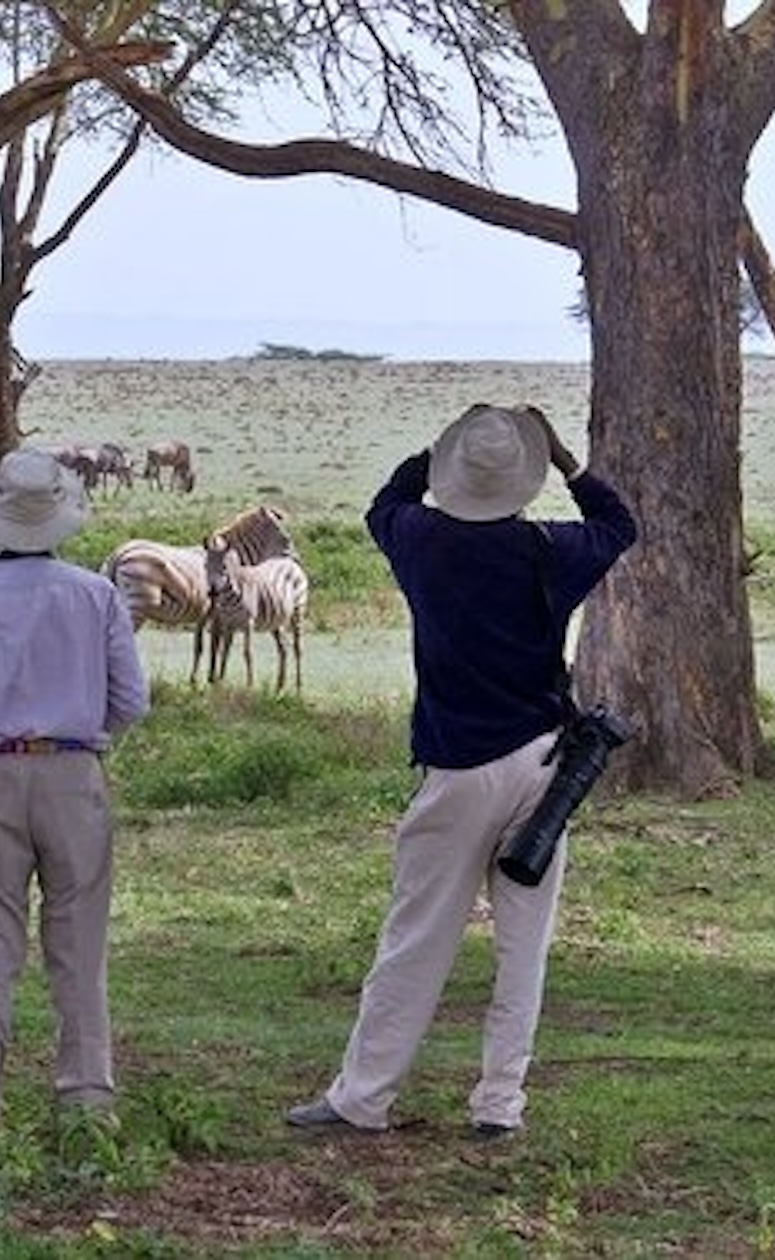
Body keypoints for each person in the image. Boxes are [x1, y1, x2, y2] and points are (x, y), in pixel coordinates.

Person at [287, 403, 637, 1140]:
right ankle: (499, 1105)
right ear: (524, 478)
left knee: (415, 940)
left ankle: (363, 1098)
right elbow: (617, 525)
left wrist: (436, 451)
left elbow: (385, 503)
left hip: (456, 771)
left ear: (454, 475)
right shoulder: (549, 549)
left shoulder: (420, 541)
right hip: (544, 766)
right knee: (523, 947)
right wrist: (567, 461)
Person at [0, 447, 150, 1137]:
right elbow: (131, 701)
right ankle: (87, 1098)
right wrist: (78, 733)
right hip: (75, 774)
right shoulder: (97, 596)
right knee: (80, 943)